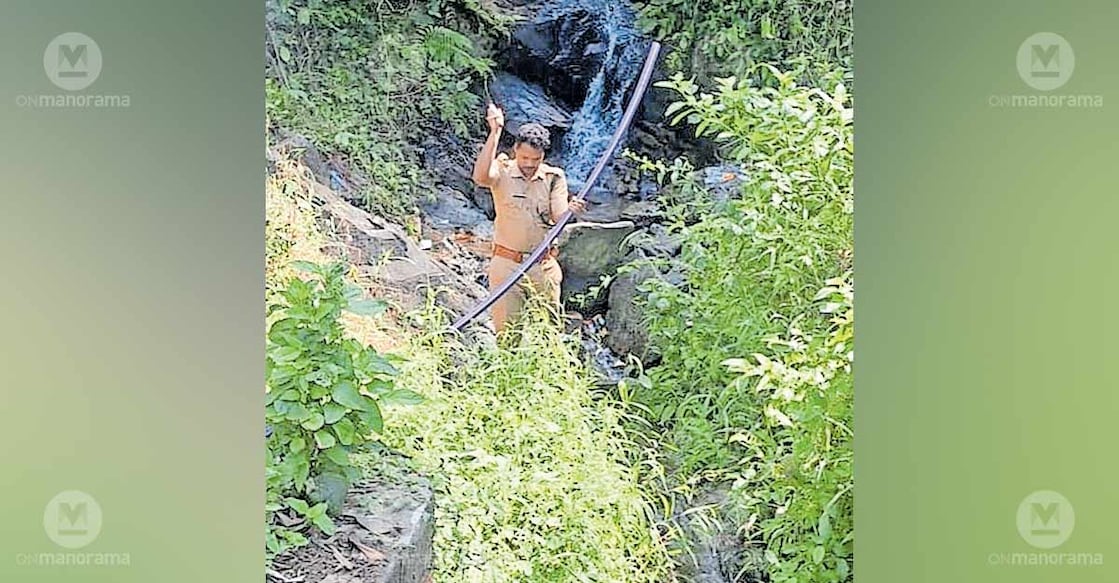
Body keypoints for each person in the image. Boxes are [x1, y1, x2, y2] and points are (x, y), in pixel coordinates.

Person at [471, 103, 586, 333]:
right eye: (524, 157)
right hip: (506, 265)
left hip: (542, 266)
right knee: (507, 335)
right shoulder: (502, 170)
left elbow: (558, 214)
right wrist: (495, 132)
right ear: (515, 150)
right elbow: (480, 177)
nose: (529, 164)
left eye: (536, 159)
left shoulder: (554, 177)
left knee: (549, 334)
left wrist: (571, 211)